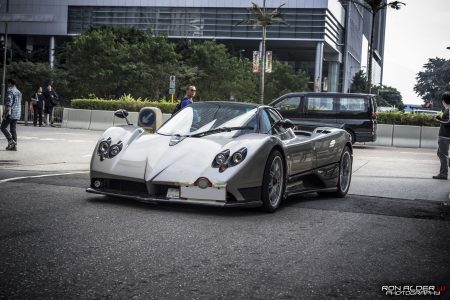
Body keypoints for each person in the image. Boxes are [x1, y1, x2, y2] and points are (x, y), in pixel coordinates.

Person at [432, 92, 450, 180]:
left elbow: (448, 122)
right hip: (444, 135)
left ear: (444, 101)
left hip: (445, 136)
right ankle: (443, 173)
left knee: (443, 154)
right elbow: (446, 121)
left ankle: (443, 174)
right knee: (440, 153)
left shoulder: (449, 110)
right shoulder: (447, 110)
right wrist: (440, 119)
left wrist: (437, 121)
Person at [1, 79, 22, 151]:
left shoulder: (10, 91)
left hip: (11, 113)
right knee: (13, 129)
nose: (8, 85)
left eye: (8, 83)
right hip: (17, 113)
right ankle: (14, 146)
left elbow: (9, 104)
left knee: (3, 127)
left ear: (10, 83)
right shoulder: (19, 92)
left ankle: (11, 141)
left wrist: (4, 113)